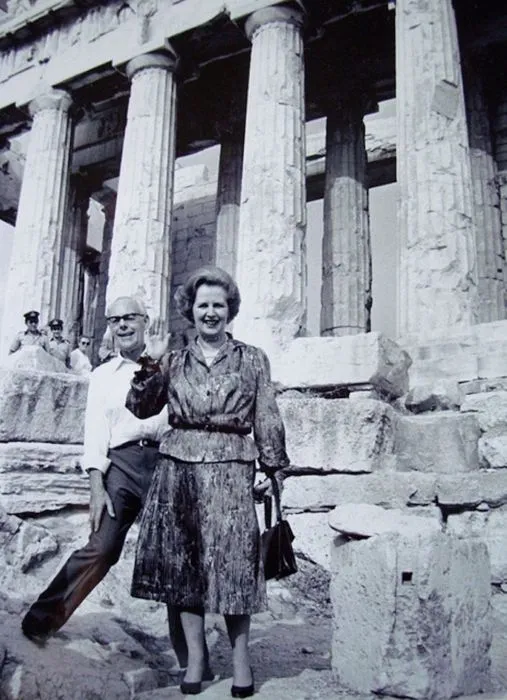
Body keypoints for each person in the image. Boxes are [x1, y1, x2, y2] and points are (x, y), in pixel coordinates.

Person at [21, 296, 212, 682]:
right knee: (102, 547)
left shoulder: (172, 363)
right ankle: (39, 622)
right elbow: (95, 429)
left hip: (166, 461)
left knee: (175, 559)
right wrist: (95, 482)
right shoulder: (103, 374)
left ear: (146, 321)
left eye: (130, 318)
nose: (122, 325)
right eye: (115, 320)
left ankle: (193, 661)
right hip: (121, 465)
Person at [126, 266, 289, 697]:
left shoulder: (253, 358)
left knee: (235, 566)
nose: (211, 312)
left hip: (232, 467)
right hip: (177, 468)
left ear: (230, 309)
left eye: (219, 304)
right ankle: (196, 661)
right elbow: (141, 409)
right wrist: (149, 361)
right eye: (203, 306)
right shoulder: (173, 359)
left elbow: (266, 415)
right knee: (185, 569)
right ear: (191, 311)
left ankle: (241, 663)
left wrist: (274, 470)